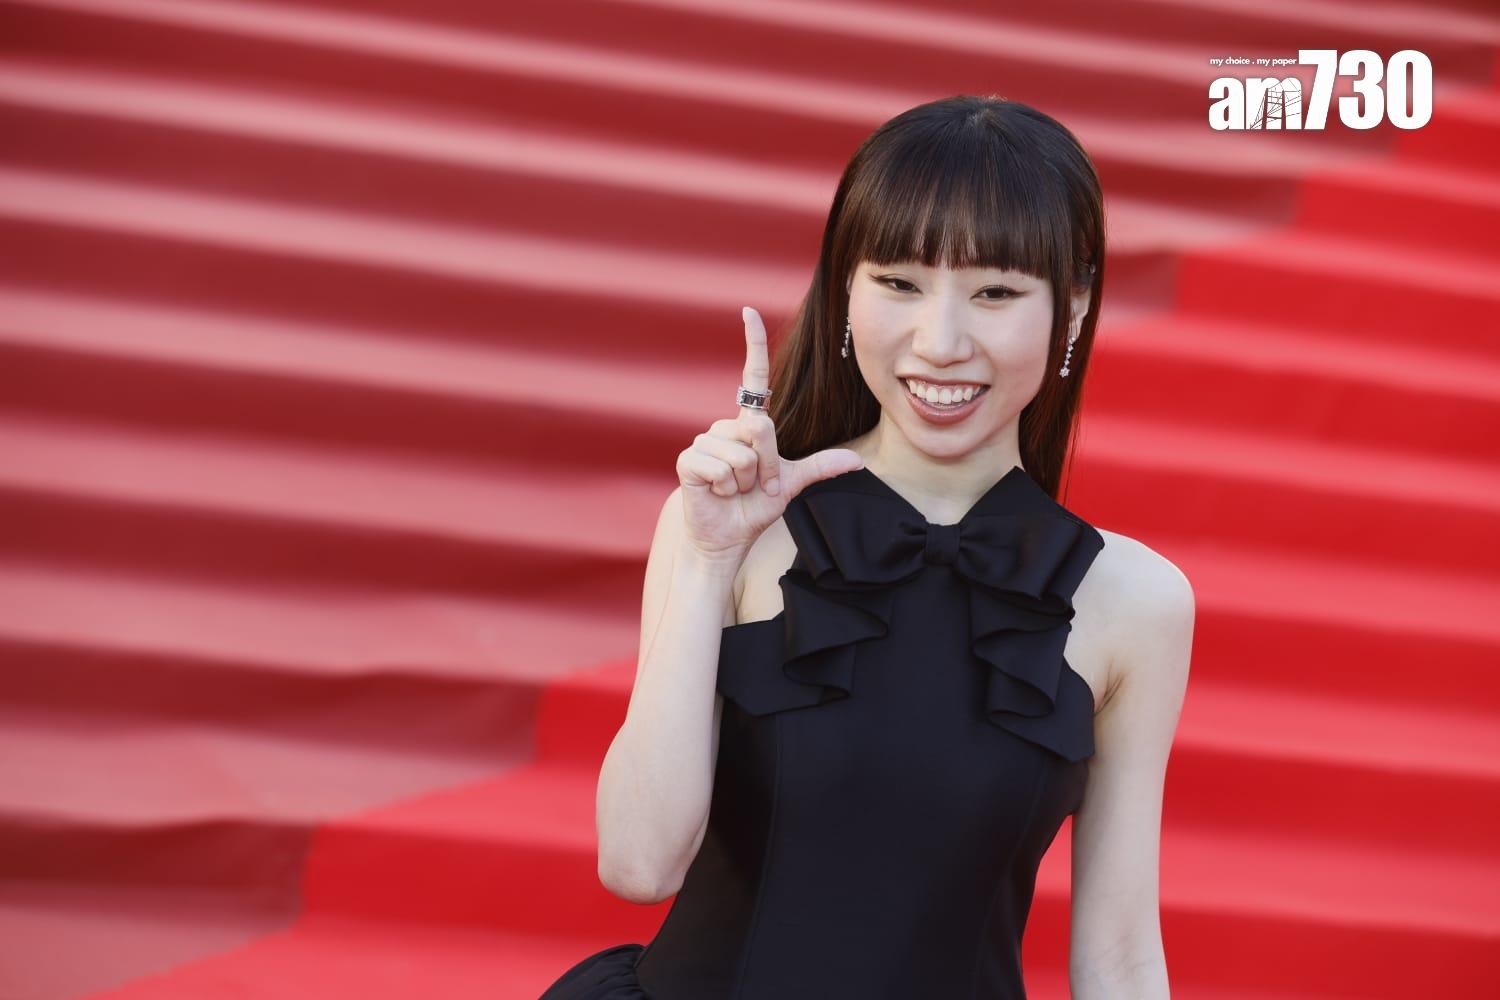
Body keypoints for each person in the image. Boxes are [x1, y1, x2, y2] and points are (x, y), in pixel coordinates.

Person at [538, 94, 1193, 999]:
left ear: (1073, 308)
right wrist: (707, 559)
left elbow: (1119, 956)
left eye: (996, 293)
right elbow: (638, 863)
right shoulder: (732, 529)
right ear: (846, 287)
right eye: (899, 283)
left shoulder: (1135, 600)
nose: (941, 342)